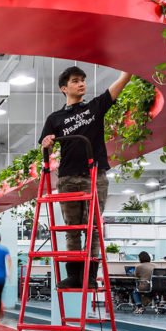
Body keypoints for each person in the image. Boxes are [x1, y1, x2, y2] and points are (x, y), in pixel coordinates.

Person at [39, 66, 132, 289]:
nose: (81, 84)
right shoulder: (55, 118)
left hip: (95, 175)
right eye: (75, 81)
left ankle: (89, 275)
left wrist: (129, 64)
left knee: (94, 228)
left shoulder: (94, 107)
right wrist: (47, 144)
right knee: (72, 228)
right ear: (64, 88)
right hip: (68, 177)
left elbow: (122, 81)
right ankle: (74, 275)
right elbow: (47, 150)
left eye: (83, 80)